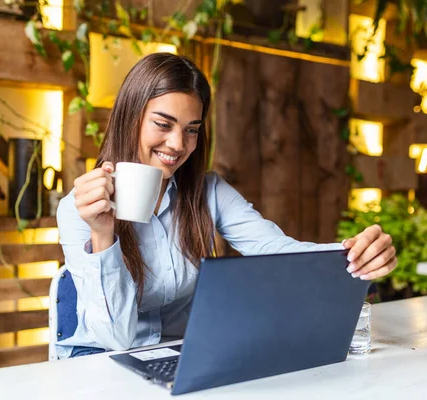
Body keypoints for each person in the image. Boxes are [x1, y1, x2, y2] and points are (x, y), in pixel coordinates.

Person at [56, 52, 397, 359]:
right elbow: (116, 339)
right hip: (98, 360)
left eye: (192, 129)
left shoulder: (207, 191)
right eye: (163, 124)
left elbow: (275, 249)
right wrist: (103, 235)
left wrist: (354, 255)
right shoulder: (79, 209)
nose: (178, 144)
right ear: (131, 117)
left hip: (179, 357)